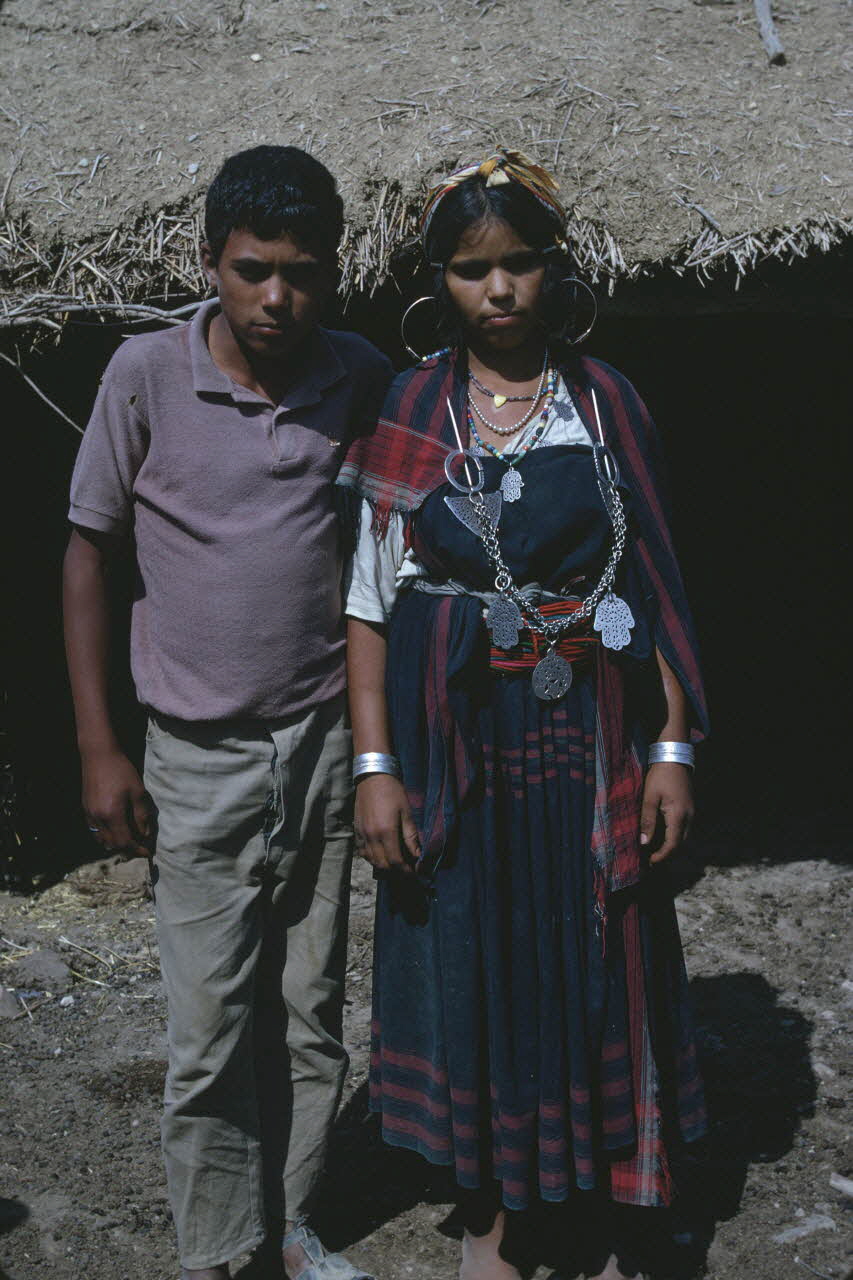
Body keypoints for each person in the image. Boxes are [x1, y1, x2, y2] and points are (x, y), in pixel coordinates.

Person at [340, 150, 708, 1280]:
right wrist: (374, 764)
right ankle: (492, 1213)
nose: (496, 290)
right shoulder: (413, 406)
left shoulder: (604, 403)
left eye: (518, 265)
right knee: (475, 961)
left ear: (554, 270)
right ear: (434, 281)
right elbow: (366, 600)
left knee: (594, 955)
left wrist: (670, 745)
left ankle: (593, 1204)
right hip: (460, 748)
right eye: (468, 269)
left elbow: (658, 586)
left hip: (585, 737)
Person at [63, 145, 391, 1280]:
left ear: (333, 273)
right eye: (253, 270)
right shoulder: (144, 376)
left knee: (308, 1009)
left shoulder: (353, 374)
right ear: (209, 262)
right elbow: (89, 552)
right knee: (207, 1032)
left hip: (323, 744)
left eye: (302, 272)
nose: (275, 298)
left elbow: (387, 547)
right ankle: (216, 1251)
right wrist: (102, 745)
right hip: (194, 755)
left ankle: (287, 1223)